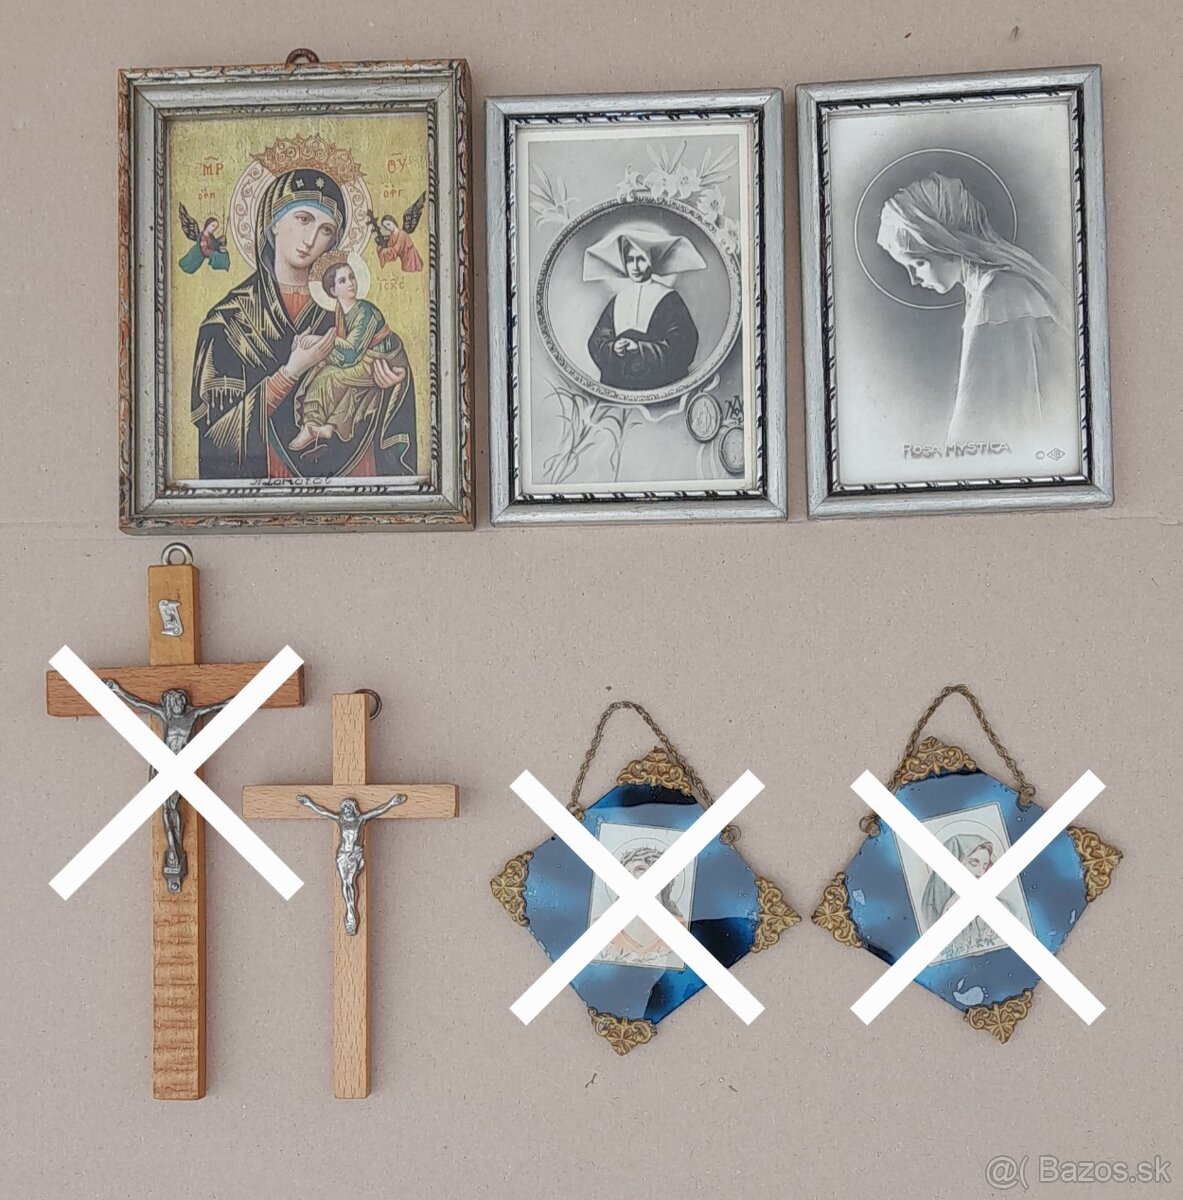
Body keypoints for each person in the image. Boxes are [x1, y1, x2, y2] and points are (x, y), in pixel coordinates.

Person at [190, 167, 415, 479]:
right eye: (303, 219)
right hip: (265, 482)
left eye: (326, 230)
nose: (311, 239)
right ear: (273, 223)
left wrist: (389, 384)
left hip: (353, 475)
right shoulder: (230, 320)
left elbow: (383, 359)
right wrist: (290, 372)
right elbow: (215, 434)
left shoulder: (345, 309)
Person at [876, 172, 1076, 446]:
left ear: (946, 244)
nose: (914, 279)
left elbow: (974, 428)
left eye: (919, 263)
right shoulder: (998, 289)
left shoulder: (997, 298)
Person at [288, 256, 409, 455]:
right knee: (344, 383)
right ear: (333, 290)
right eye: (343, 280)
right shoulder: (340, 313)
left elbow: (352, 353)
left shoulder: (365, 311)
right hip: (368, 357)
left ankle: (311, 423)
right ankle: (327, 427)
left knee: (329, 376)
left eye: (352, 277)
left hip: (384, 359)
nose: (351, 283)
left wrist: (319, 341)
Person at [585, 227, 705, 391]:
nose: (634, 266)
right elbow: (597, 342)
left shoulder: (669, 299)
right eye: (630, 260)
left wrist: (640, 349)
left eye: (641, 259)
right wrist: (613, 347)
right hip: (620, 387)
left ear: (651, 261)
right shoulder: (618, 299)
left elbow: (684, 345)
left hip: (658, 386)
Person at [296, 793, 406, 935]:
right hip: (342, 855)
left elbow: (378, 810)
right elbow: (323, 811)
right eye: (344, 808)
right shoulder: (340, 820)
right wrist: (309, 803)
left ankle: (350, 915)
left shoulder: (361, 820)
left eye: (348, 807)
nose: (345, 810)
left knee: (350, 881)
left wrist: (392, 803)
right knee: (345, 883)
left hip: (354, 855)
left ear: (353, 808)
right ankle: (350, 911)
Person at [919, 833, 1015, 960]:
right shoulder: (930, 907)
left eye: (985, 866)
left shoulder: (1002, 907)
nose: (980, 873)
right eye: (974, 863)